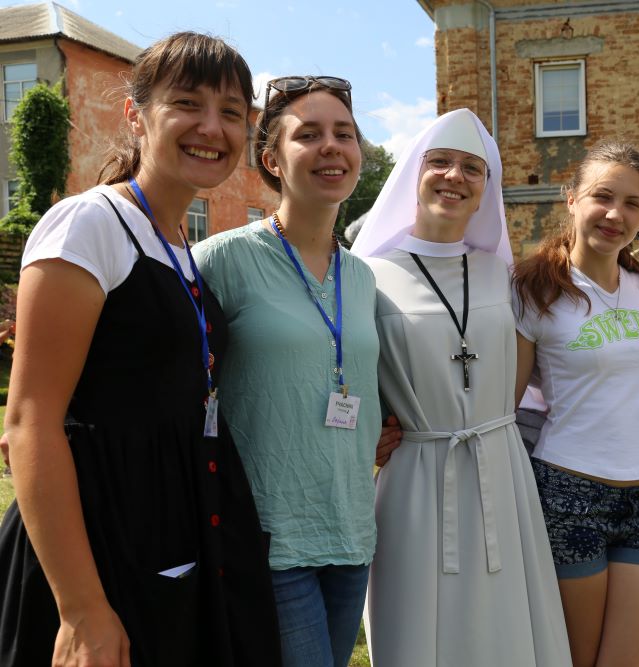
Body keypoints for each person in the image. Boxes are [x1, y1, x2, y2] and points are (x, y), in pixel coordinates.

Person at [0, 32, 281, 666]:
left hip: (176, 524)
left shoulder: (179, 242)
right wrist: (81, 609)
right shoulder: (89, 224)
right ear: (136, 114)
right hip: (103, 540)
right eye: (188, 103)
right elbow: (30, 422)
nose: (212, 128)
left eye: (232, 113)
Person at [351, 108, 572, 667]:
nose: (454, 177)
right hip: (418, 477)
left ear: (486, 191)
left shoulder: (504, 275)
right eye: (440, 162)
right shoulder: (367, 274)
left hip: (502, 468)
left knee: (506, 626)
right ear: (414, 176)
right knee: (421, 628)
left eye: (472, 168)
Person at [193, 75, 396, 667]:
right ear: (271, 159)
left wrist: (394, 418)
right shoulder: (221, 260)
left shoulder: (362, 277)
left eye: (345, 134)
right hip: (266, 534)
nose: (331, 146)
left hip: (352, 529)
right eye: (308, 134)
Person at [511, 140, 639, 667]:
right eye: (603, 196)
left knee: (633, 658)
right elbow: (503, 403)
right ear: (571, 197)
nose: (615, 214)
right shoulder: (535, 289)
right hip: (568, 491)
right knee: (575, 658)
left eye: (632, 204)